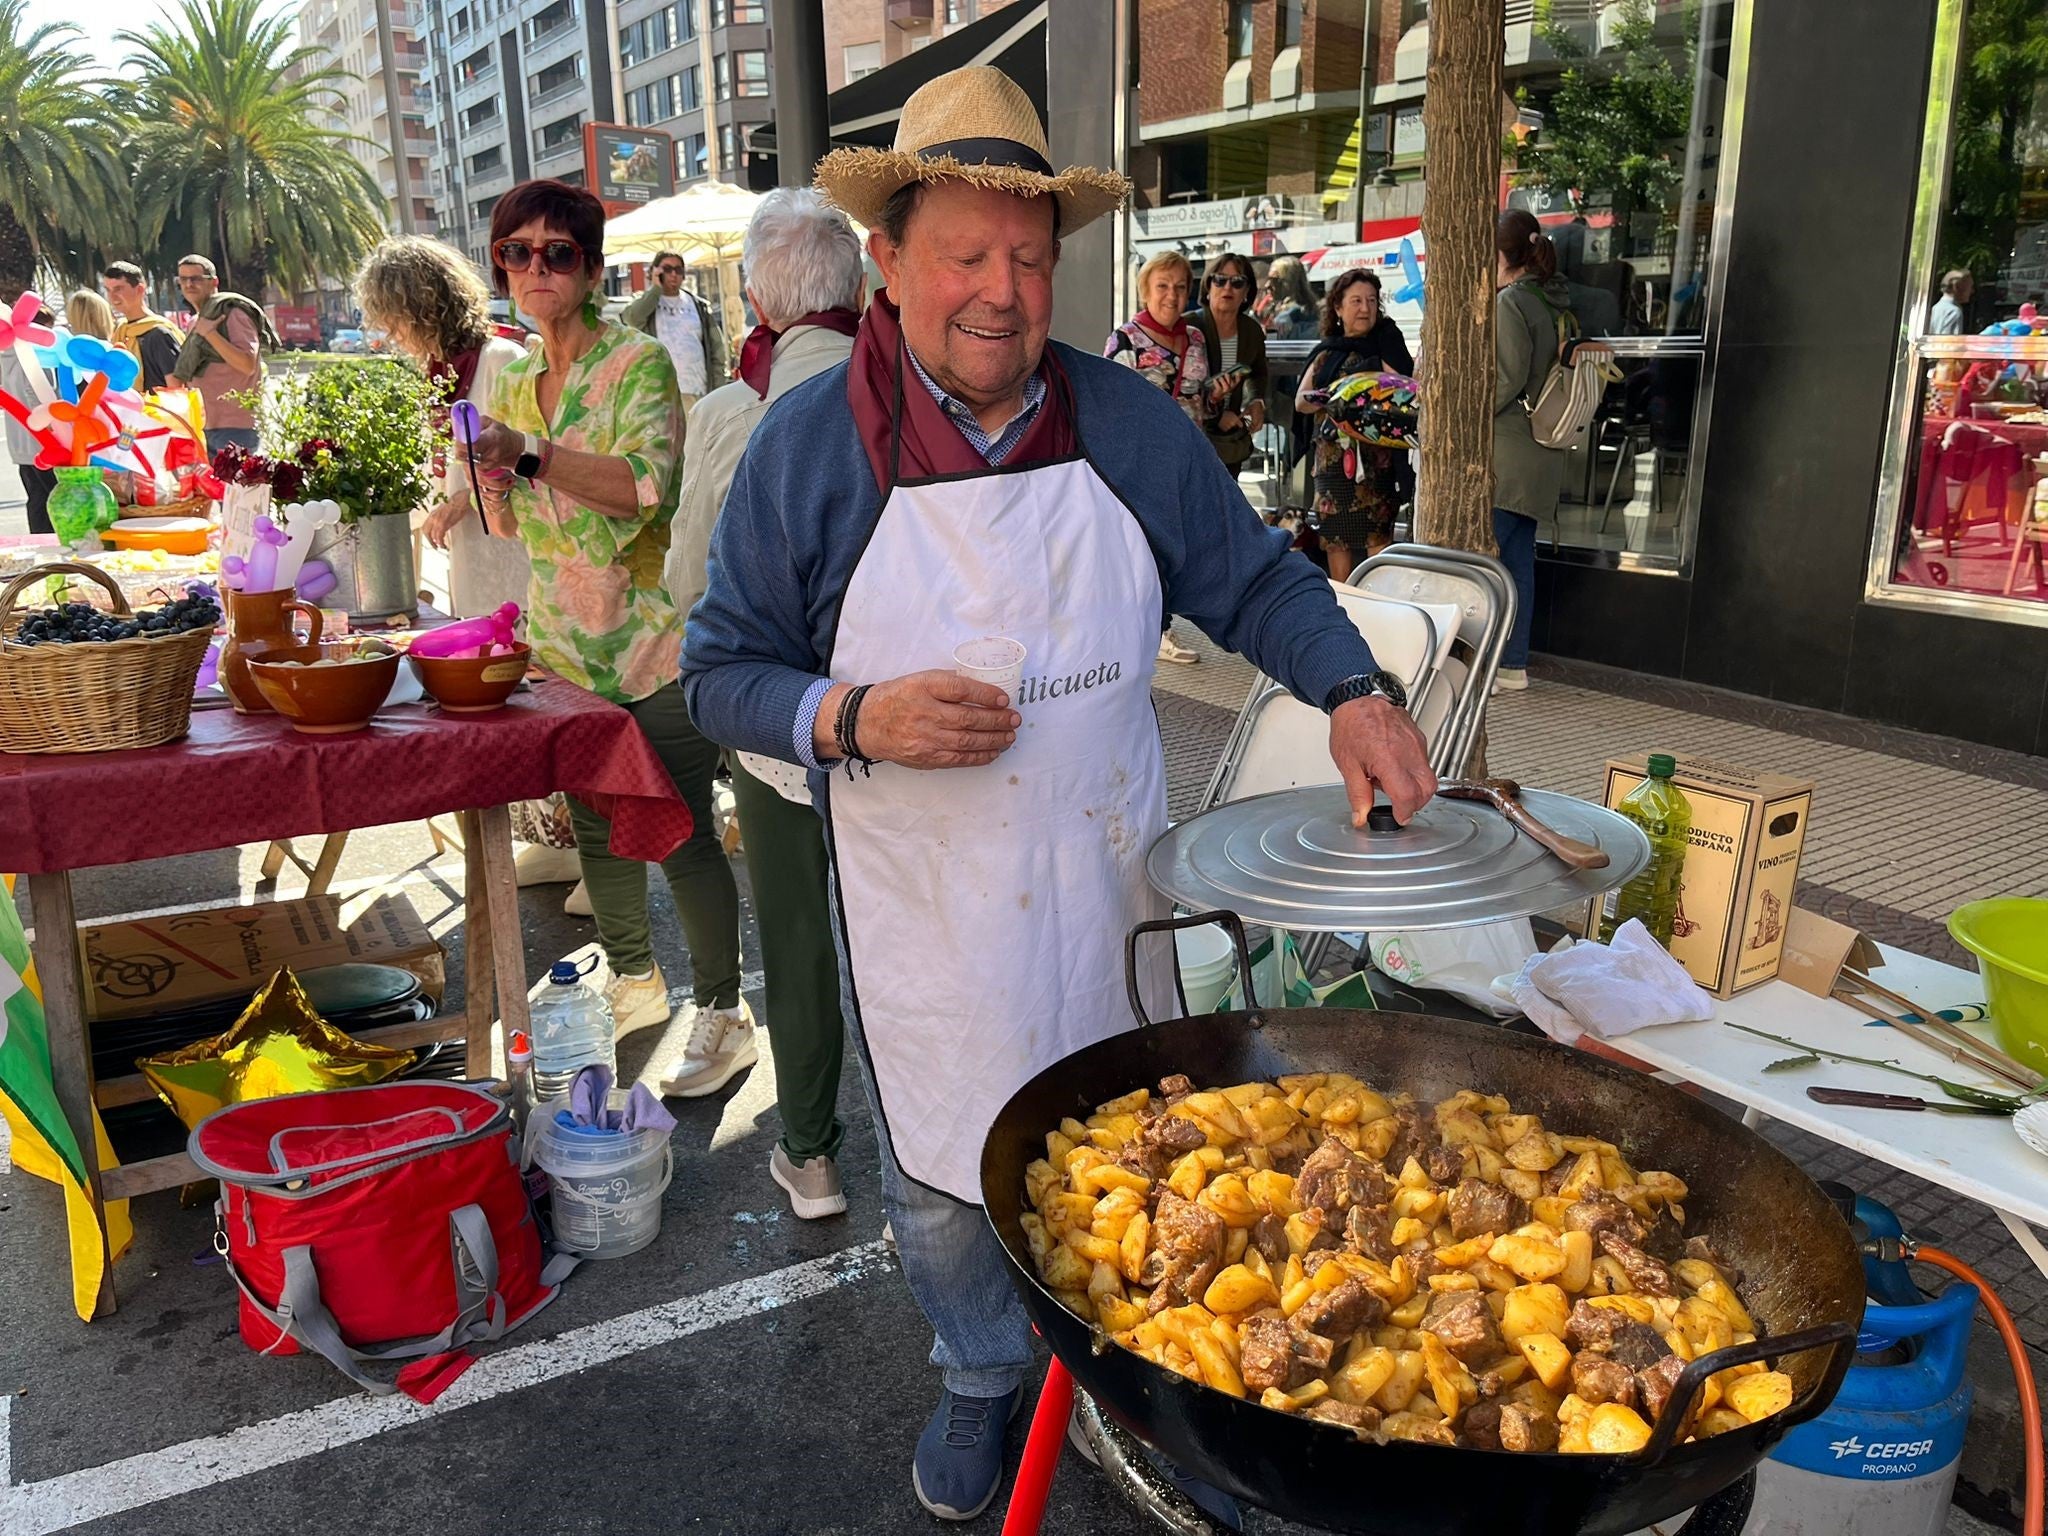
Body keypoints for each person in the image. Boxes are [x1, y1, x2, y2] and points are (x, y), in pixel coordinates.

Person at [682, 65, 1434, 1523]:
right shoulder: (807, 450)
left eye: (1029, 259)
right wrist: (850, 713)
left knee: (1148, 1148)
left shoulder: (1129, 423)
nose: (1001, 291)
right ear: (890, 262)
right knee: (952, 1185)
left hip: (1107, 882)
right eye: (964, 254)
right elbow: (720, 673)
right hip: (928, 911)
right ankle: (980, 1376)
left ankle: (1141, 1378)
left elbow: (1258, 579)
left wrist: (1353, 690)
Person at [462, 179, 748, 1073]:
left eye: (558, 252)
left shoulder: (638, 365)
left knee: (684, 830)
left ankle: (725, 1011)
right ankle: (636, 978)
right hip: (560, 648)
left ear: (589, 268)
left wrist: (530, 455)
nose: (536, 268)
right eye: (518, 252)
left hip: (650, 644)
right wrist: (495, 483)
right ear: (501, 267)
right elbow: (510, 527)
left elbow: (643, 487)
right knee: (596, 823)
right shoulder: (508, 375)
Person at [663, 188, 864, 1221]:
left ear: (753, 299)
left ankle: (813, 1153)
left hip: (779, 712)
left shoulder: (733, 411)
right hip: (916, 708)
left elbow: (691, 580)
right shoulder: (917, 388)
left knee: (795, 933)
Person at [353, 237, 530, 621]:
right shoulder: (438, 370)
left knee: (520, 650)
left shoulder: (502, 357)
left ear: (421, 306)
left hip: (516, 547)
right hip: (469, 548)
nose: (389, 332)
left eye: (392, 315)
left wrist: (462, 498)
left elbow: (531, 456)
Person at [1492, 209, 1609, 693]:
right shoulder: (1558, 300)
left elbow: (1505, 378)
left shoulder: (1511, 303)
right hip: (1544, 449)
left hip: (1507, 449)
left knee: (1486, 560)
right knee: (1518, 561)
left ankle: (1486, 664)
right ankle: (1512, 664)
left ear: (1501, 255)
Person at [1106, 251, 1210, 666]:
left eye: (1180, 286)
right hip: (1143, 460)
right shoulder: (1127, 338)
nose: (1172, 295)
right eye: (1163, 286)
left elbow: (1199, 398)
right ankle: (1155, 628)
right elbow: (1110, 405)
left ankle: (1157, 621)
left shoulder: (1196, 338)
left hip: (1190, 457)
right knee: (1148, 543)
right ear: (1145, 290)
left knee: (1178, 542)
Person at [1295, 268, 1413, 582]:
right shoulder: (1327, 352)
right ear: (1338, 308)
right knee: (1336, 541)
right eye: (1357, 300)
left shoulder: (1386, 343)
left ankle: (1380, 611)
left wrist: (1370, 369)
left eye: (1372, 300)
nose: (1365, 308)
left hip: (1378, 463)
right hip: (1334, 465)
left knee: (1379, 538)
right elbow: (1301, 401)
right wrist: (1334, 396)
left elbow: (1403, 384)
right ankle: (1343, 615)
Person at [168, 255, 276, 454]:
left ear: (214, 281)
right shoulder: (196, 322)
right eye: (183, 279)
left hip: (235, 429)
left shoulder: (232, 314)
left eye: (197, 278)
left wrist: (210, 333)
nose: (189, 284)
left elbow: (247, 364)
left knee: (234, 486)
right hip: (203, 427)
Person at [1192, 250, 1268, 479]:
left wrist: (1256, 400)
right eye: (1220, 280)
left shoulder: (1251, 331)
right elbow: (1177, 385)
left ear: (1247, 292)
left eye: (1237, 282)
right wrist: (1215, 416)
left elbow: (1258, 371)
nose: (1227, 288)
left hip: (1229, 442)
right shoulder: (1189, 327)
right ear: (1208, 286)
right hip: (1194, 435)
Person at [622, 250, 728, 412]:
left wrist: (717, 388)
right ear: (655, 271)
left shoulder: (699, 306)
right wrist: (656, 289)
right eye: (667, 269)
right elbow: (632, 319)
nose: (673, 274)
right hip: (660, 393)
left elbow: (717, 350)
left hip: (697, 390)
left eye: (678, 270)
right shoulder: (647, 302)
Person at [0, 283, 55, 535]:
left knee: (36, 498)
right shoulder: (34, 354)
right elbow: (38, 395)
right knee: (51, 498)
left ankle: (39, 540)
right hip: (44, 442)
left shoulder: (6, 353)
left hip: (21, 443)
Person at [102, 263, 181, 390]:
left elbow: (177, 388)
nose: (112, 297)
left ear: (140, 290)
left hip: (158, 408)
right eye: (108, 290)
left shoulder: (159, 333)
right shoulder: (121, 332)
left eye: (118, 289)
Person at [1931, 269, 1972, 336]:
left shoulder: (1935, 308)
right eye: (1970, 287)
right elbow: (1950, 342)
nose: (1972, 291)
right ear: (1956, 287)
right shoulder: (1954, 311)